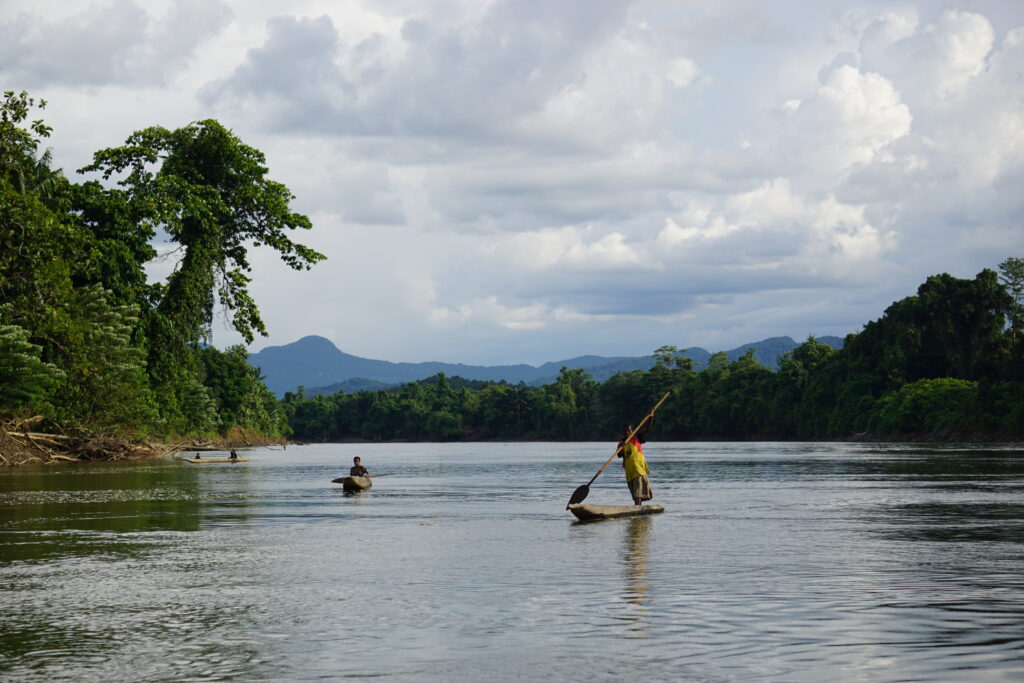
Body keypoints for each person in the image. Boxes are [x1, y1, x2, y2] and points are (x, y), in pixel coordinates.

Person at [617, 417, 654, 505]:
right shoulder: (621, 443)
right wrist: (622, 446)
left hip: (638, 469)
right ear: (623, 432)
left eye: (628, 430)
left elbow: (648, 428)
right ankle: (638, 510)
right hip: (629, 471)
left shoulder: (636, 438)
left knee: (638, 493)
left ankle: (637, 509)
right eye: (625, 431)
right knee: (634, 494)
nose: (627, 432)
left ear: (631, 431)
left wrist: (650, 417)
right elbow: (619, 455)